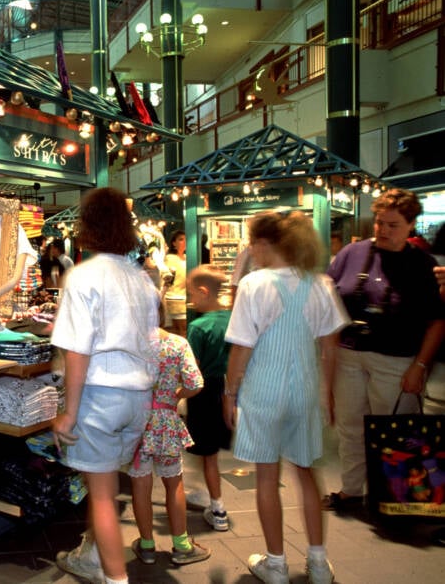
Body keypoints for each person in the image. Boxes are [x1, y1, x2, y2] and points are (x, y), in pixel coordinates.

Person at [223, 210, 348, 584]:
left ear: (263, 244)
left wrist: (229, 392)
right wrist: (327, 393)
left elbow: (241, 349)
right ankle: (319, 562)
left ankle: (275, 563)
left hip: (264, 389)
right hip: (305, 388)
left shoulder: (254, 284)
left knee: (266, 476)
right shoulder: (320, 283)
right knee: (308, 474)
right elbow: (330, 348)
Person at [51, 187, 161, 584]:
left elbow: (77, 352)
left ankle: (114, 578)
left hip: (100, 394)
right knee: (106, 485)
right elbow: (152, 341)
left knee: (101, 494)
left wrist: (68, 413)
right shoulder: (141, 280)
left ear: (87, 225)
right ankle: (92, 555)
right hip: (138, 398)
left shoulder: (82, 277)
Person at [325, 189, 445, 511]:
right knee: (350, 428)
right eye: (379, 223)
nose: (382, 230)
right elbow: (327, 296)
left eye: (392, 225)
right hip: (350, 354)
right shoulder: (352, 253)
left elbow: (437, 321)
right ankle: (351, 492)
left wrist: (419, 366)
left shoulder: (422, 264)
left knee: (397, 434)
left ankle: (397, 501)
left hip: (397, 361)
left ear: (410, 226)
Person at [128, 327, 210, 565]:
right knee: (173, 483)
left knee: (140, 484)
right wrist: (177, 394)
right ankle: (182, 545)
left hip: (137, 423)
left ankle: (146, 546)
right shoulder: (177, 343)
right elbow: (196, 383)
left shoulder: (129, 342)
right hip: (166, 422)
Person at [185, 264, 233, 531]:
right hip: (227, 391)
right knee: (210, 453)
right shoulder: (233, 320)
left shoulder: (198, 327)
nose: (191, 300)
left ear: (204, 292)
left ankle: (217, 509)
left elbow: (192, 368)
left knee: (205, 454)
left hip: (202, 393)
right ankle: (209, 498)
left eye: (192, 294)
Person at [164, 230, 187, 335]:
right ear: (174, 243)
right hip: (175, 298)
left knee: (184, 330)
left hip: (185, 298)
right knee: (181, 330)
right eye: (181, 239)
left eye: (185, 239)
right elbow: (168, 280)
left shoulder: (187, 258)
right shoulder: (170, 258)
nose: (184, 241)